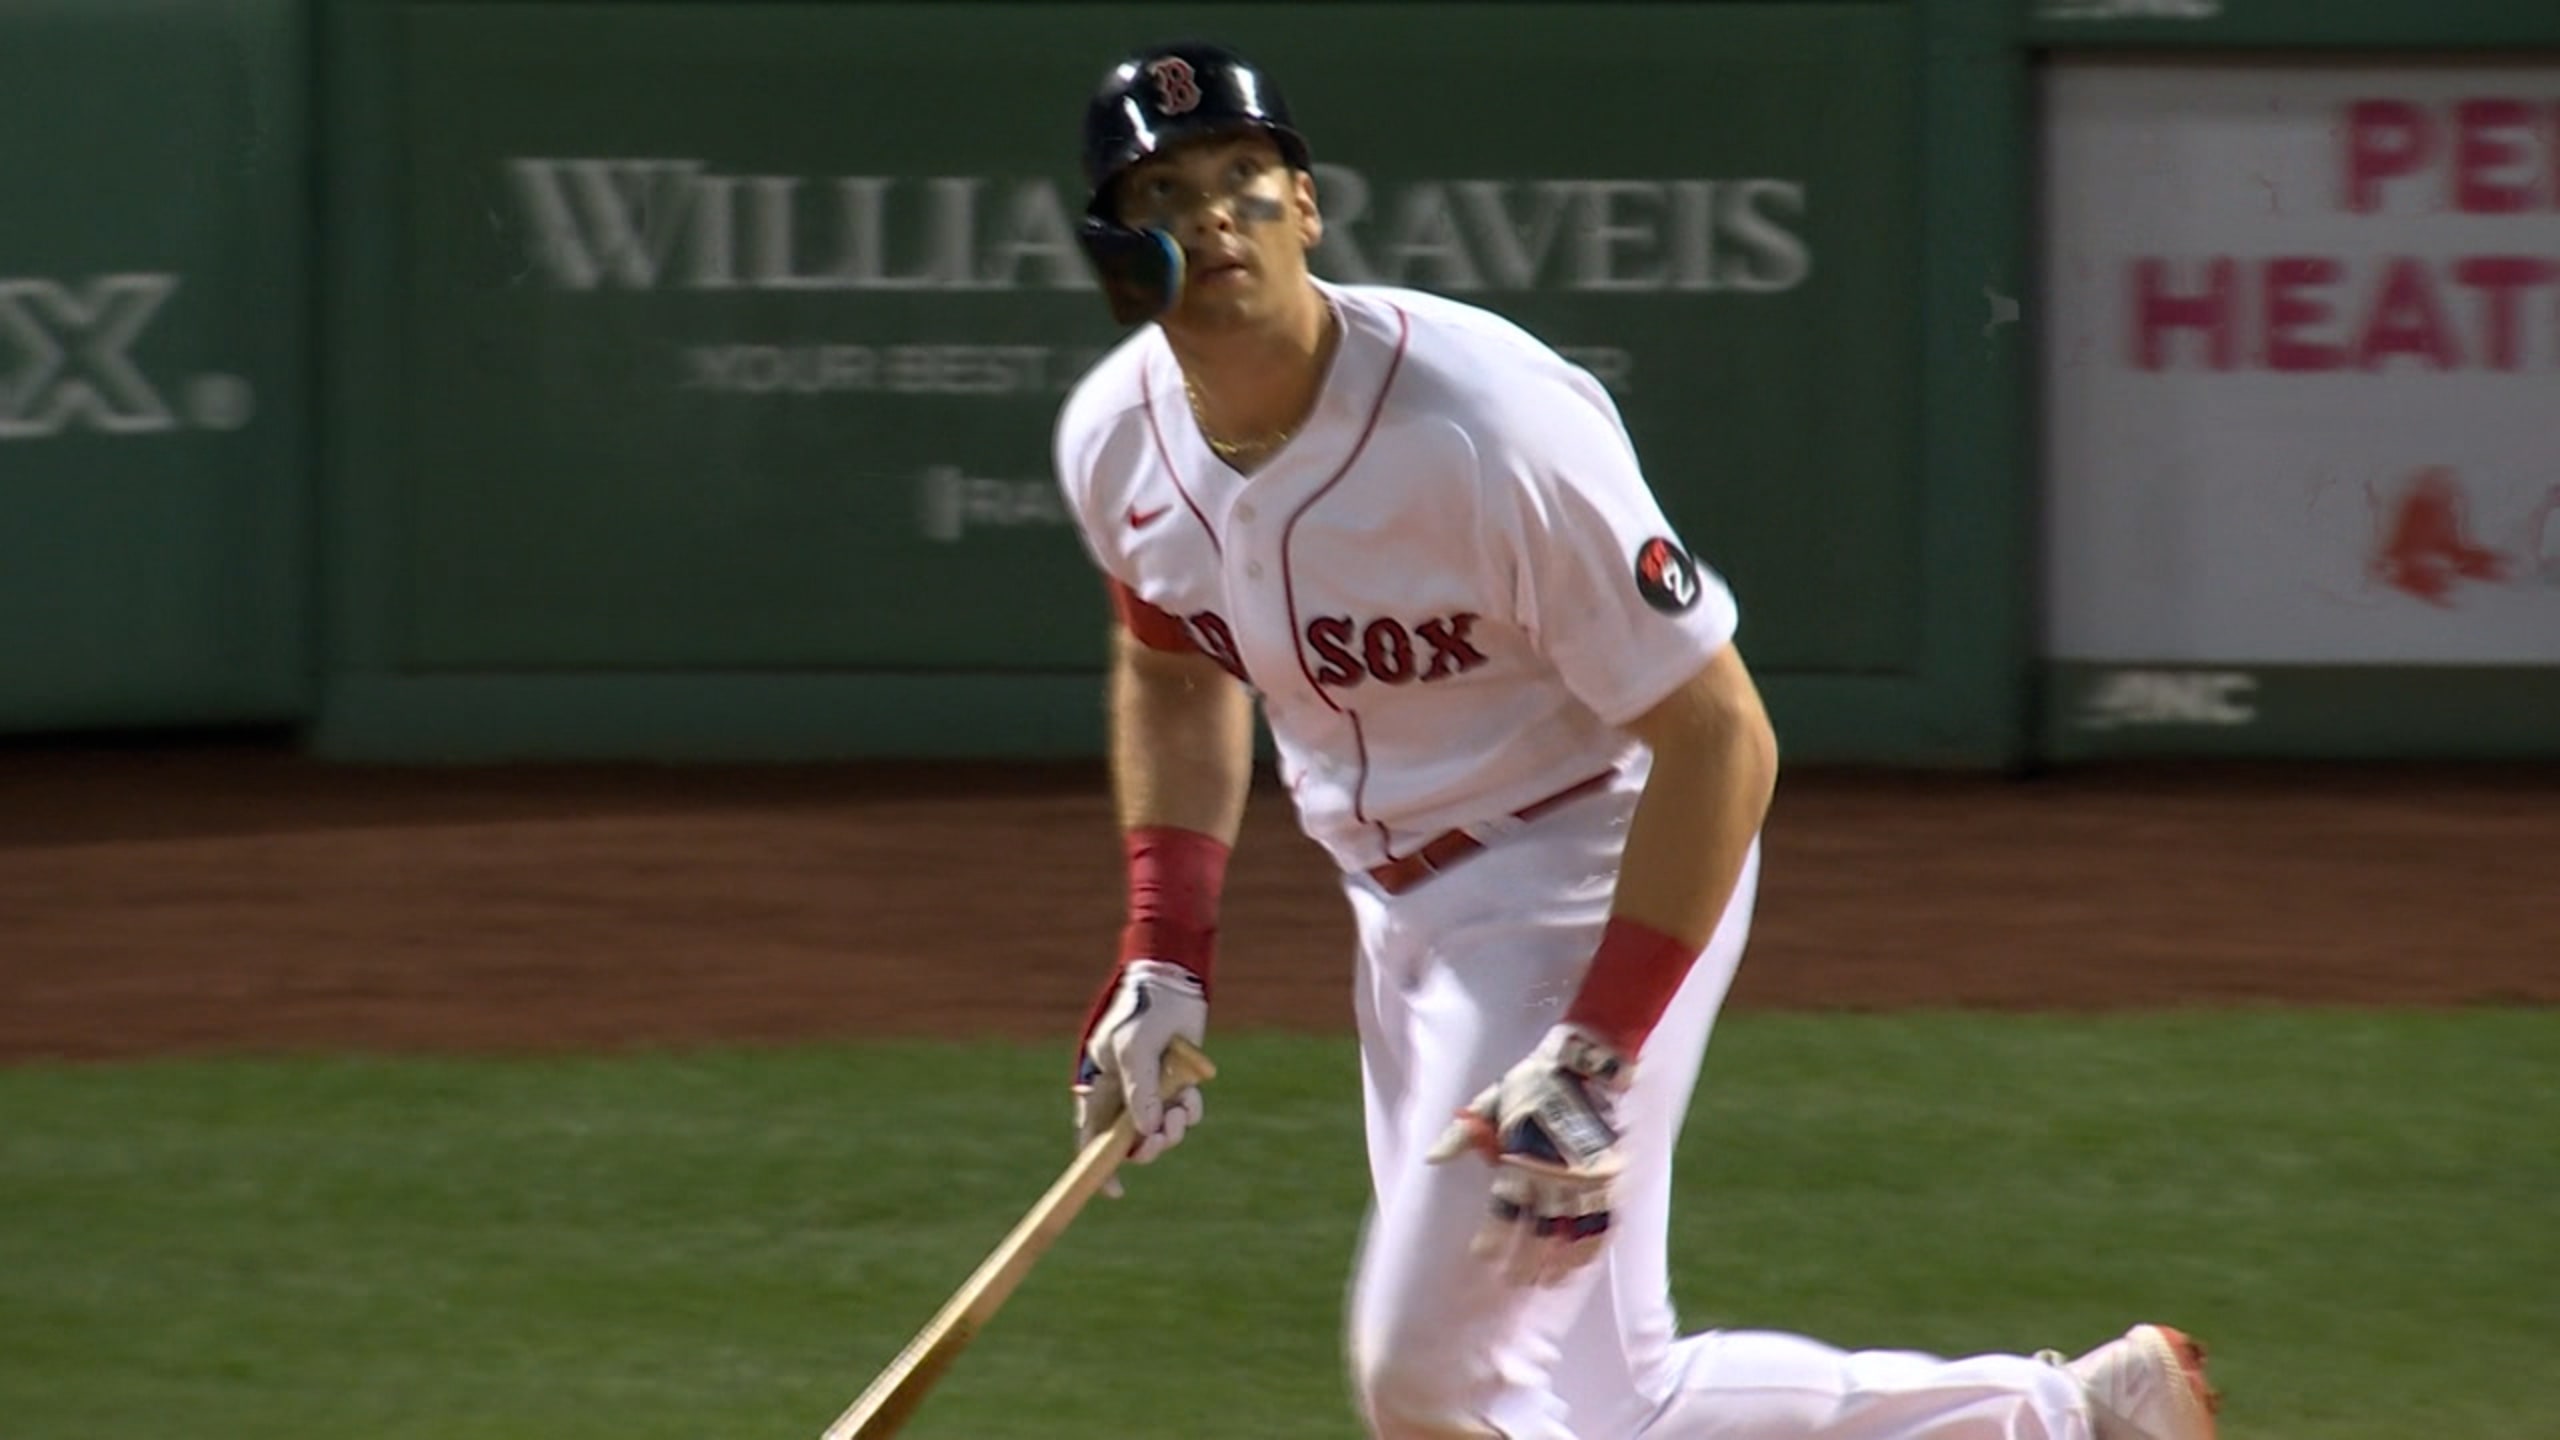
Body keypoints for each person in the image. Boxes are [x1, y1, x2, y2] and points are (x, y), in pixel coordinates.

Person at [1049, 38, 2222, 1440]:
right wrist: (1162, 952)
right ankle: (2081, 1419)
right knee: (1602, 1396)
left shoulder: (1483, 428)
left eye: (1247, 177)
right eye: (1168, 192)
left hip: (1589, 863)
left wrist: (1598, 1046)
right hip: (1394, 912)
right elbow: (1171, 668)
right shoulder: (1116, 438)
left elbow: (1721, 734)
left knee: (1429, 1375)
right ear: (1119, 249)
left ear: (1309, 204)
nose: (1215, 217)